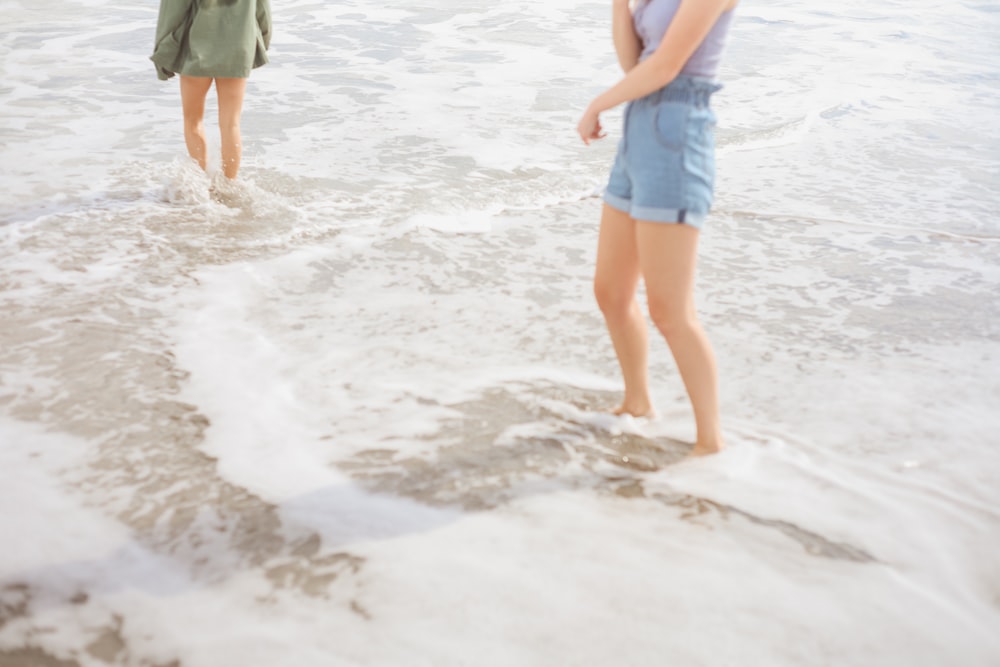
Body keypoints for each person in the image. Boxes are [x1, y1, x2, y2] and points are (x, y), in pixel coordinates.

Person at [577, 0, 737, 457]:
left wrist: (596, 104)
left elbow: (667, 66)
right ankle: (637, 403)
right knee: (610, 291)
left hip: (677, 135)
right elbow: (636, 63)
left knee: (670, 311)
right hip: (639, 132)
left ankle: (710, 443)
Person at [150, 0, 272, 180]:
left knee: (193, 121)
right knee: (231, 124)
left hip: (195, 49)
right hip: (238, 47)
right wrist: (259, 44)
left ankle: (201, 187)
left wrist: (163, 51)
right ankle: (229, 187)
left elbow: (172, 13)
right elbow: (263, 13)